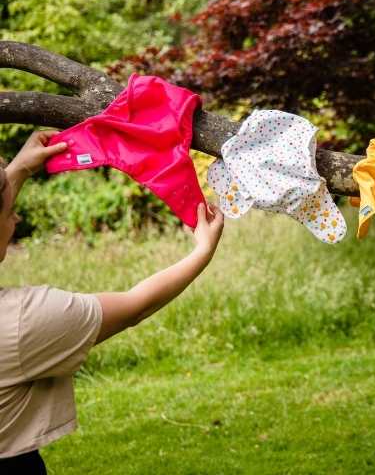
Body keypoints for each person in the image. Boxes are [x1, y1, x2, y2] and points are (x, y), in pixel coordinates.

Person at [0, 130, 224, 474]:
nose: (16, 219)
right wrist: (202, 252)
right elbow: (135, 305)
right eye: (8, 212)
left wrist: (17, 171)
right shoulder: (21, 322)